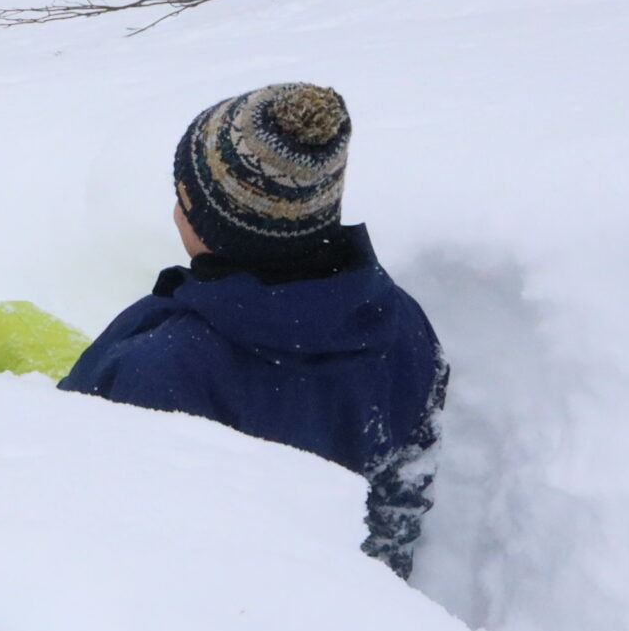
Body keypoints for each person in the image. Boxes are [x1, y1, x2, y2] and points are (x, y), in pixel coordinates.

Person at [59, 83, 447, 578]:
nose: (175, 211)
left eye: (184, 199)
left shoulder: (162, 367)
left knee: (0, 330)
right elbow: (403, 489)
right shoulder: (402, 325)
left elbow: (88, 520)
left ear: (221, 228)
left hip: (210, 593)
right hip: (330, 588)